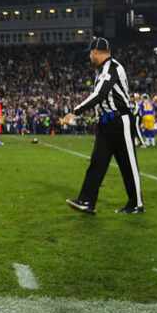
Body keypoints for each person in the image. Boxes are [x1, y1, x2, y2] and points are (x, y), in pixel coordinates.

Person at [63, 37, 144, 215]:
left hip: (120, 121)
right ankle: (86, 201)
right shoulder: (101, 70)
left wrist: (74, 111)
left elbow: (99, 95)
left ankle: (136, 203)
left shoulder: (112, 67)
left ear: (96, 52)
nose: (90, 57)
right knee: (97, 163)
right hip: (106, 124)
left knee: (128, 164)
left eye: (91, 53)